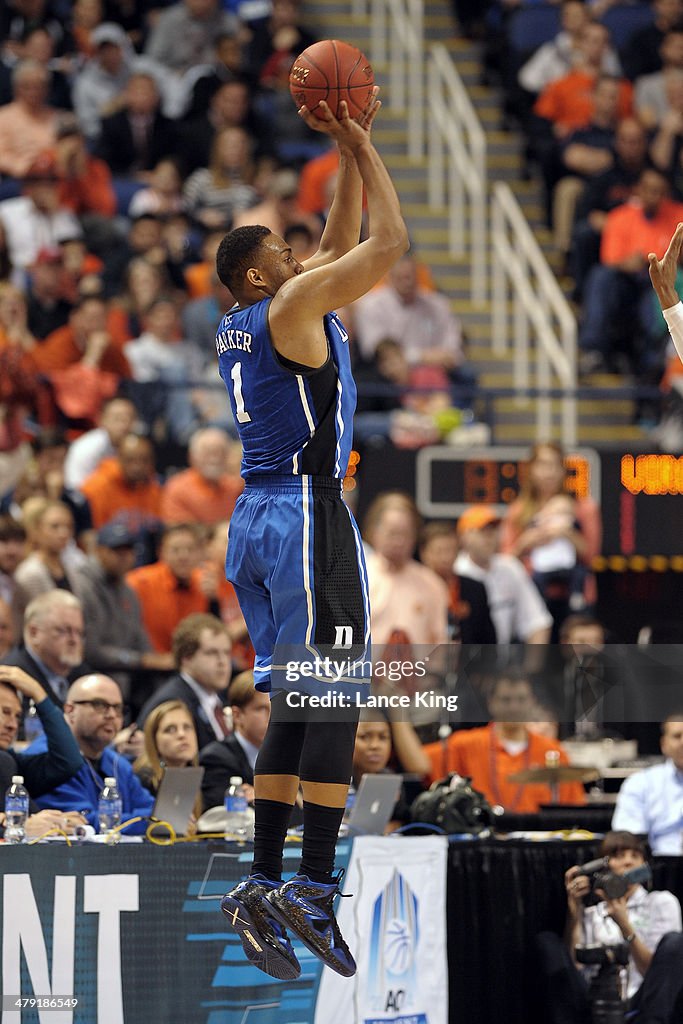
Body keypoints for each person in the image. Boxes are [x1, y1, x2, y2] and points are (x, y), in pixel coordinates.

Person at [216, 89, 409, 982]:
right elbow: (386, 245)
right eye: (284, 254)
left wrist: (335, 151)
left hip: (255, 519)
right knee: (335, 698)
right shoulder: (293, 308)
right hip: (304, 513)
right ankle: (314, 885)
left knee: (295, 700)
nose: (301, 255)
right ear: (263, 277)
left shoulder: (248, 318)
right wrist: (366, 144)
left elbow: (332, 242)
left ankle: (261, 878)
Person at [538, 831, 683, 1024]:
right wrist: (574, 913)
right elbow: (575, 968)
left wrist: (625, 926)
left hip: (641, 999)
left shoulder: (660, 902)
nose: (628, 862)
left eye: (635, 856)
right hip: (592, 997)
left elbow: (660, 975)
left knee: (675, 942)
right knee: (547, 941)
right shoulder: (593, 911)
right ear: (604, 867)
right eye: (618, 856)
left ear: (644, 865)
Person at [423, 668, 586, 813]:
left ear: (532, 702)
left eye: (521, 699)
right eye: (506, 700)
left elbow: (574, 809)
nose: (514, 707)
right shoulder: (465, 744)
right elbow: (419, 762)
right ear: (491, 702)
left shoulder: (552, 751)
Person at [27, 672, 155, 835]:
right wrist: (154, 821)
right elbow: (86, 823)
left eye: (118, 708)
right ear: (70, 710)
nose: (111, 715)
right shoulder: (47, 759)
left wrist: (165, 818)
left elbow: (153, 809)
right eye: (99, 705)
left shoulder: (117, 764)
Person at [500, 442, 602, 638]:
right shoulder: (518, 511)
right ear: (531, 469)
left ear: (563, 470)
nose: (549, 472)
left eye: (555, 465)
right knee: (537, 660)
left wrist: (567, 534)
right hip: (532, 594)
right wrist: (525, 542)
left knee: (579, 658)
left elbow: (591, 557)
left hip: (576, 595)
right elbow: (505, 561)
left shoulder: (584, 507)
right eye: (543, 465)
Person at [455, 504, 553, 646]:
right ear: (463, 537)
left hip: (504, 660)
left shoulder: (510, 567)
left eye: (493, 530)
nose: (489, 537)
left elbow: (537, 622)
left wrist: (532, 668)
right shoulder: (456, 572)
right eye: (482, 531)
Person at [137, 613, 232, 751]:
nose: (222, 662)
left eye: (227, 653)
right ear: (186, 657)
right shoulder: (171, 702)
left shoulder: (220, 699)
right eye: (212, 653)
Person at [2, 590, 86, 709]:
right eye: (63, 631)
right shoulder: (11, 679)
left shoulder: (82, 674)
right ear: (34, 633)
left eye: (79, 633)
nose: (74, 640)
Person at [199, 669, 270, 810]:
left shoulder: (289, 754)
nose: (273, 717)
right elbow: (224, 816)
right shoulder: (216, 758)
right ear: (237, 715)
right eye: (262, 709)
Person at [612, 716, 683, 853]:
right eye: (677, 736)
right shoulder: (640, 783)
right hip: (656, 866)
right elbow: (627, 838)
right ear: (664, 744)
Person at [133, 699, 201, 832]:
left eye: (187, 727)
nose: (182, 735)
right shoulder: (144, 779)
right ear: (154, 740)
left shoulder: (195, 775)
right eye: (170, 730)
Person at [160, 427, 244, 526]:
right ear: (192, 457)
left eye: (221, 452)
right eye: (207, 452)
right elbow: (179, 531)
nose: (215, 458)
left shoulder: (237, 487)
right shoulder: (176, 489)